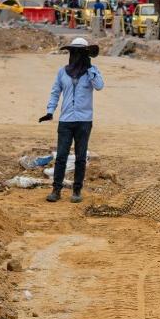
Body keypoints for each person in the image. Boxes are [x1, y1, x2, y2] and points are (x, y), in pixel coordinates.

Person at [40, 38, 104, 203]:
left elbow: (99, 86)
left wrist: (90, 68)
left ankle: (76, 191)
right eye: (73, 52)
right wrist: (50, 111)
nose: (76, 56)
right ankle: (56, 190)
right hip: (66, 121)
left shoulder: (92, 72)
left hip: (84, 121)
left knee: (80, 157)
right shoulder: (62, 72)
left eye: (80, 53)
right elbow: (55, 92)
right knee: (61, 156)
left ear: (86, 55)